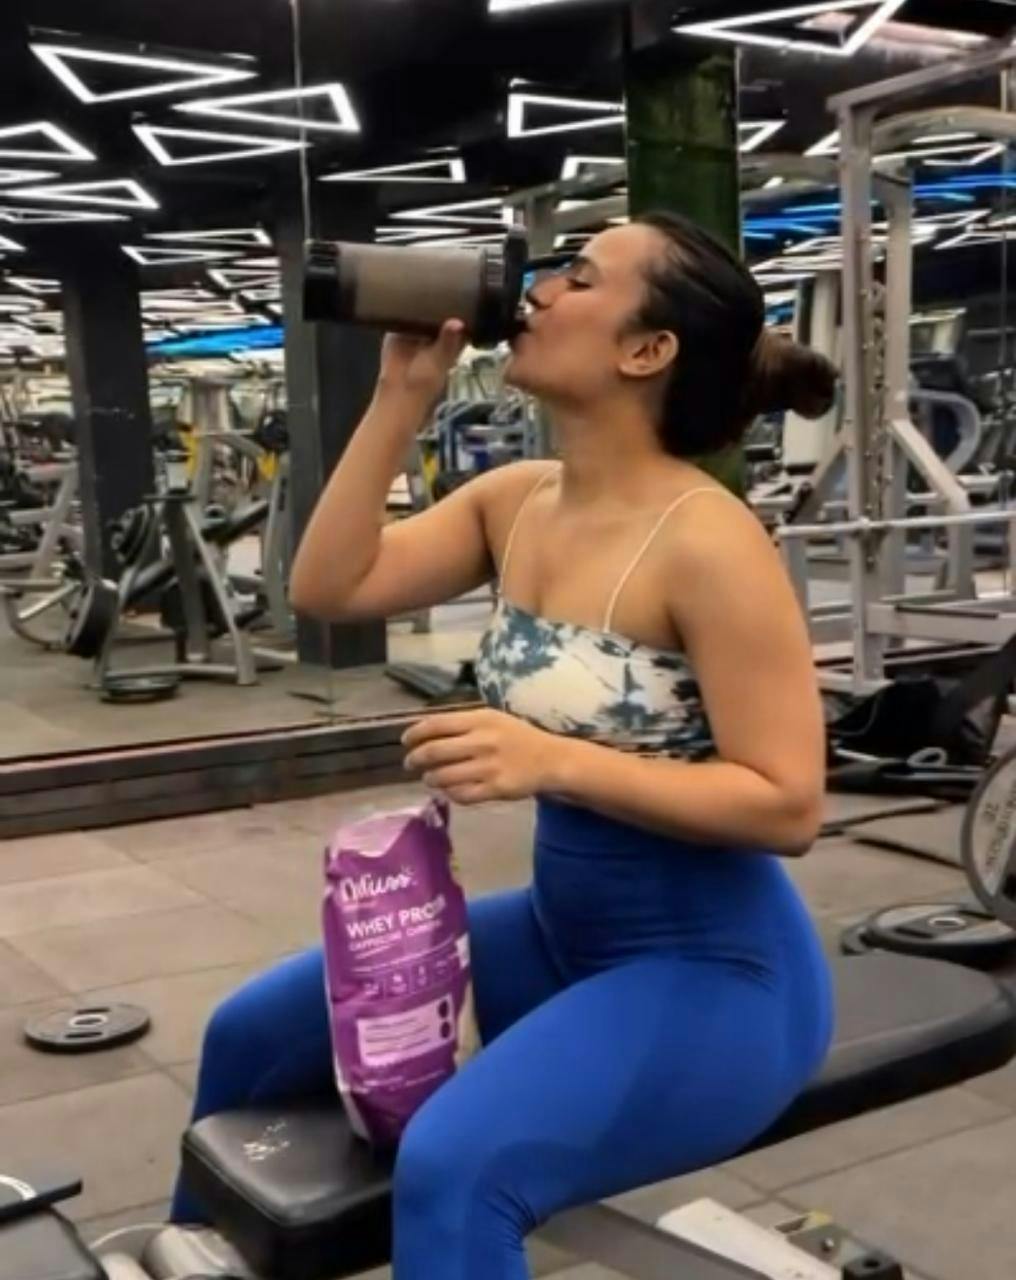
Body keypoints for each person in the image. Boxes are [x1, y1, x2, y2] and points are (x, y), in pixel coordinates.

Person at [171, 211, 837, 1280]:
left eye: (580, 277)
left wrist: (551, 758)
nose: (538, 291)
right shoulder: (514, 501)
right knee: (248, 1033)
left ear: (645, 349)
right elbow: (327, 586)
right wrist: (401, 396)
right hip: (561, 932)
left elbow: (787, 803)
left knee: (456, 1164)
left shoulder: (711, 543)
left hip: (716, 972)